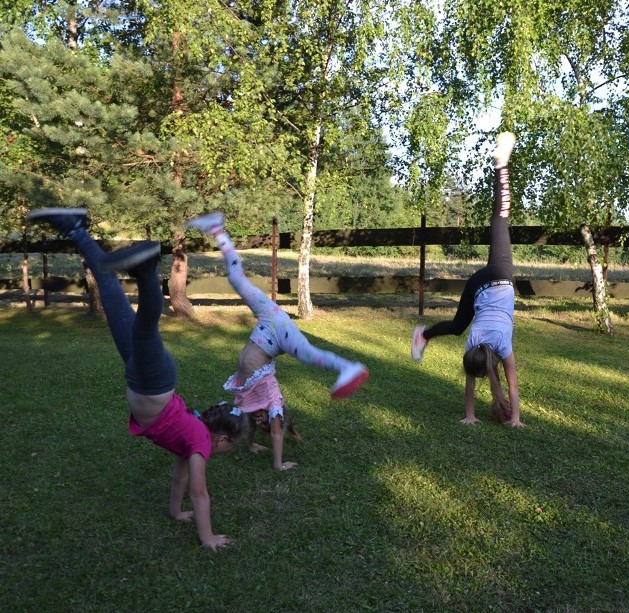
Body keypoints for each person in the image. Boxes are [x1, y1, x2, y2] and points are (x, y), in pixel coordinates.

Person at [27, 208, 249, 551]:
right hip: (152, 381)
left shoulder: (190, 442)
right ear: (221, 440)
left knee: (111, 291)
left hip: (141, 375)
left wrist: (176, 513)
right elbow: (199, 493)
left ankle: (75, 228)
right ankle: (146, 270)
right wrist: (207, 537)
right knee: (145, 326)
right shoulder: (201, 446)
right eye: (231, 448)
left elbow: (180, 479)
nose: (226, 452)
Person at [184, 212, 370, 470]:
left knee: (235, 280)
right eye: (263, 421)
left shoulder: (247, 397)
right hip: (276, 327)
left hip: (269, 327)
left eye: (259, 421)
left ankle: (218, 230)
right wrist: (278, 464)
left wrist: (249, 444)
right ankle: (348, 368)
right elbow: (275, 434)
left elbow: (245, 423)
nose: (259, 420)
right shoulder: (272, 400)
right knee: (306, 352)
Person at [411, 132, 523, 428]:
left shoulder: (500, 345)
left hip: (500, 277)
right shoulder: (474, 343)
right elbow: (472, 382)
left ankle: (502, 165)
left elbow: (512, 385)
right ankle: (424, 335)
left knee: (501, 218)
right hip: (478, 285)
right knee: (459, 326)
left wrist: (516, 419)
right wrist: (470, 415)